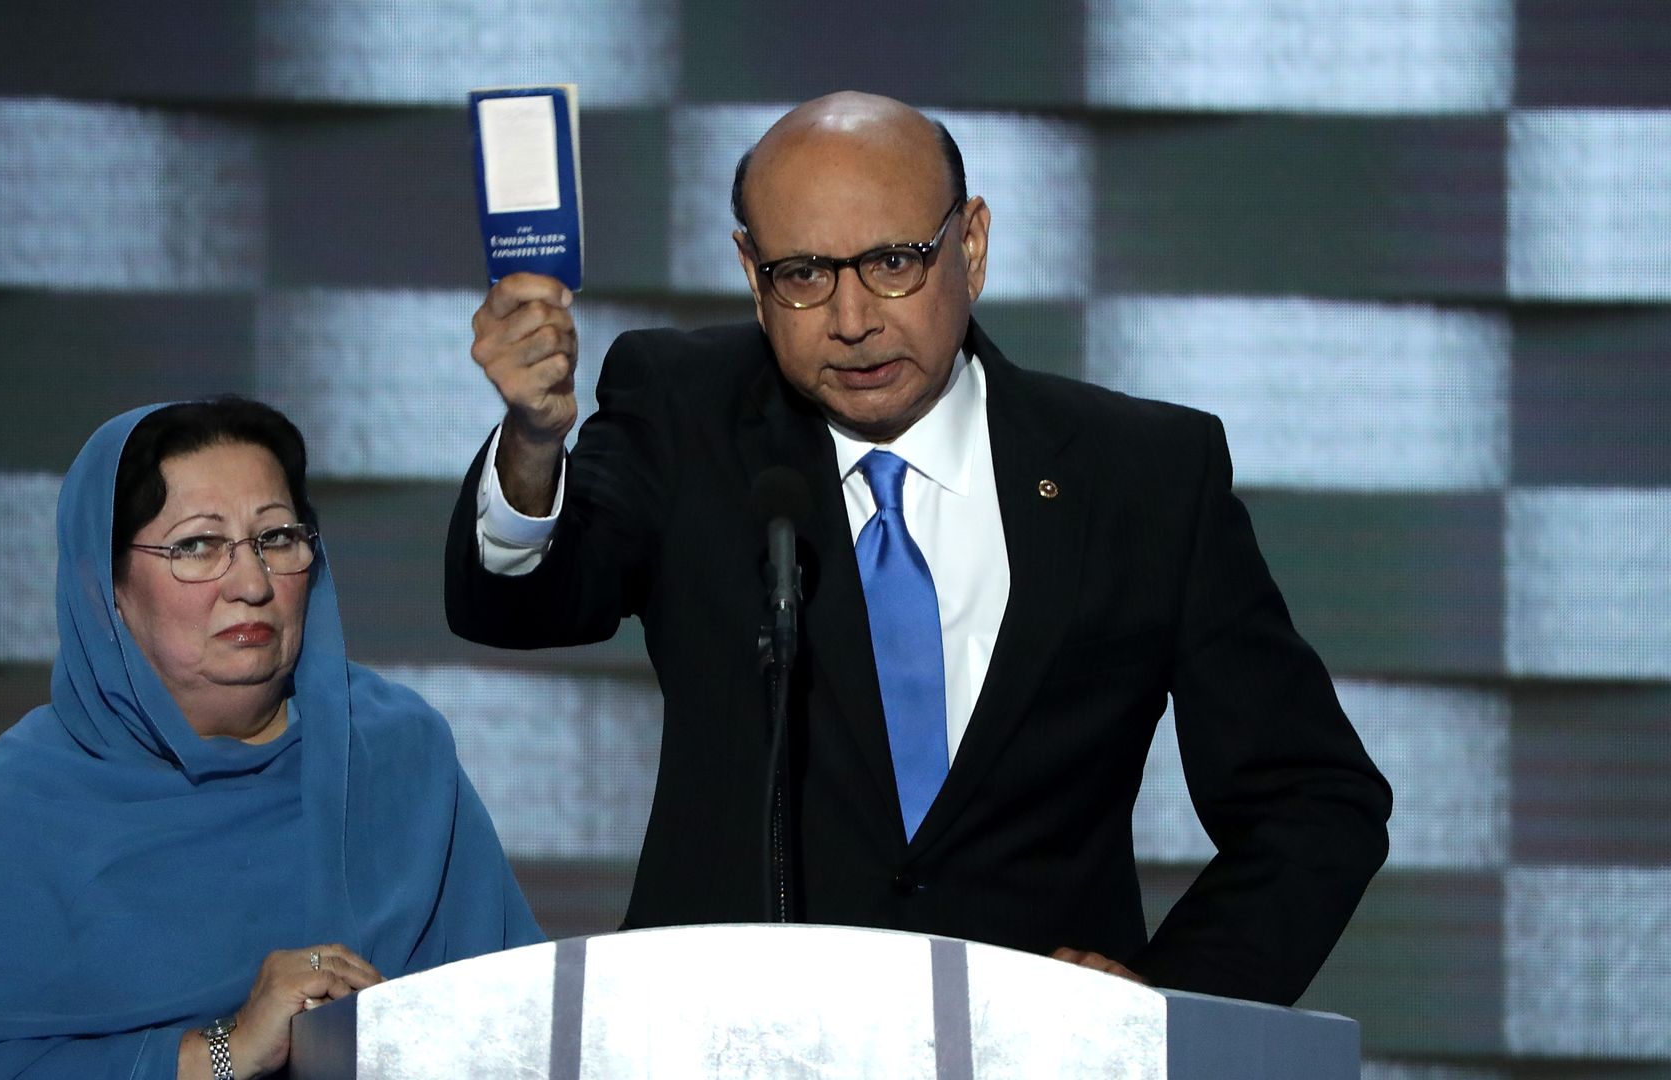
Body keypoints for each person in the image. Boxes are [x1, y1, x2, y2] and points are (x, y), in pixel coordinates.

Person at [446, 91, 1391, 1007]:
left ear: (970, 245)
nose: (853, 319)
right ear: (750, 271)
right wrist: (533, 445)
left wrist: (1160, 1008)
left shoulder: (1141, 474)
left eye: (894, 261)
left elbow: (1312, 802)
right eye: (804, 274)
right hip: (734, 1043)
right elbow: (525, 602)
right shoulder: (686, 408)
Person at [0, 398, 541, 1079]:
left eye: (277, 538)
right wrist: (224, 1052)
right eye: (198, 546)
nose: (252, 583)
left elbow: (525, 1028)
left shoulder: (399, 752)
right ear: (106, 586)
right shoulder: (16, 806)